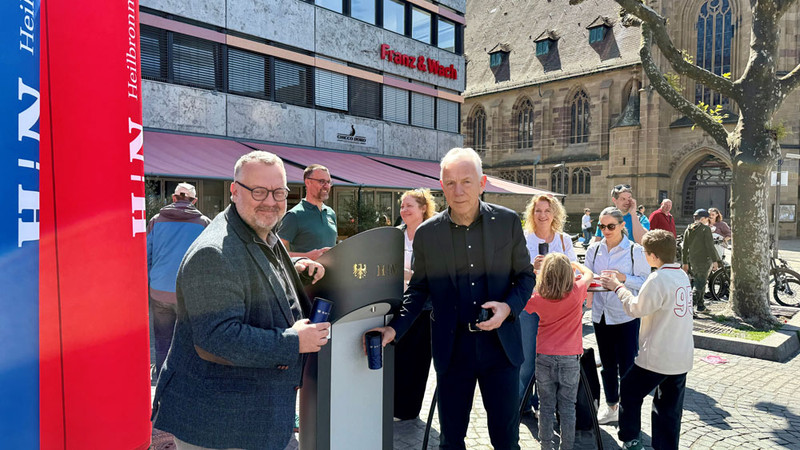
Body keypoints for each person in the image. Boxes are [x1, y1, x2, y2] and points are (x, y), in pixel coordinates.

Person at [151, 151, 330, 450]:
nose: (270, 201)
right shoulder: (213, 252)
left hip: (255, 416)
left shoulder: (258, 229)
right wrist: (294, 342)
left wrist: (293, 274)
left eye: (278, 192)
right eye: (258, 191)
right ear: (234, 191)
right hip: (219, 426)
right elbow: (216, 339)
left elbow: (251, 278)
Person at [368, 147, 535, 449]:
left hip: (501, 349)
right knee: (451, 441)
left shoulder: (507, 222)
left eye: (466, 181)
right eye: (450, 182)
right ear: (441, 185)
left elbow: (525, 277)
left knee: (507, 441)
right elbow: (419, 289)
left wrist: (508, 307)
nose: (458, 191)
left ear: (482, 182)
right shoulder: (428, 233)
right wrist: (395, 329)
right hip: (453, 348)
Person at [599, 230, 694, 450]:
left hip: (658, 355)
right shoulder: (681, 275)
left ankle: (631, 439)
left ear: (652, 256)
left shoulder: (657, 278)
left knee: (630, 392)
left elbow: (635, 309)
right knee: (669, 407)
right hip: (681, 355)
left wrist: (618, 287)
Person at [585, 207, 650, 425]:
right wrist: (591, 283)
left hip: (625, 315)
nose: (606, 230)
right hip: (601, 315)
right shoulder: (594, 250)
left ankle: (629, 410)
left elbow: (645, 283)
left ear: (623, 226)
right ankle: (612, 405)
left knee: (628, 365)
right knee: (607, 364)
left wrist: (622, 278)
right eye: (602, 226)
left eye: (610, 226)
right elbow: (585, 280)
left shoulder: (635, 251)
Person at [524, 254, 593, 450]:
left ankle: (546, 446)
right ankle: (567, 447)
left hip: (544, 355)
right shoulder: (577, 290)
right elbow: (589, 273)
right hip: (570, 358)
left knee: (545, 406)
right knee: (567, 407)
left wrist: (534, 272)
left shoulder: (538, 297)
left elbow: (525, 304)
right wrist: (576, 264)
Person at [519, 194, 578, 417]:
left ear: (554, 213)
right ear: (532, 214)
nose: (542, 215)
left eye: (547, 210)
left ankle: (543, 405)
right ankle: (522, 403)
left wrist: (557, 266)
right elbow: (512, 272)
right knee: (527, 360)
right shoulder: (524, 239)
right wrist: (529, 266)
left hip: (557, 311)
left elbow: (574, 269)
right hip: (530, 307)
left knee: (548, 358)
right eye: (538, 211)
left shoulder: (563, 240)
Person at [146, 183, 211, 380]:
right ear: (194, 201)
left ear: (174, 198)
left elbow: (145, 255)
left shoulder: (156, 221)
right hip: (189, 293)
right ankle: (185, 375)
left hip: (159, 290)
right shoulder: (204, 223)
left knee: (163, 336)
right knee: (188, 337)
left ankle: (162, 375)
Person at [393, 188, 437, 421]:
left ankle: (408, 411)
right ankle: (392, 405)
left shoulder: (432, 236)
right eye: (402, 206)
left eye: (409, 205)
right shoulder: (395, 235)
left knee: (417, 361)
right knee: (397, 358)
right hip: (395, 304)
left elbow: (432, 275)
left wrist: (404, 274)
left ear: (423, 209)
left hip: (423, 308)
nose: (404, 210)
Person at [278, 164, 337, 260]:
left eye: (329, 182)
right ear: (308, 182)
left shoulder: (330, 213)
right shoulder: (294, 216)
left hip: (332, 274)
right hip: (305, 274)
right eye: (322, 181)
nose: (326, 186)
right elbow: (277, 253)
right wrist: (307, 257)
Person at [682, 209, 722, 314]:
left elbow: (684, 247)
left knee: (700, 282)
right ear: (703, 219)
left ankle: (700, 305)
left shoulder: (688, 229)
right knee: (700, 284)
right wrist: (715, 260)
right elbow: (710, 246)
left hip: (692, 260)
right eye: (706, 218)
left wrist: (685, 262)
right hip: (704, 260)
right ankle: (689, 307)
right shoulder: (705, 229)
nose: (707, 220)